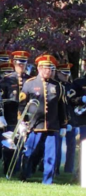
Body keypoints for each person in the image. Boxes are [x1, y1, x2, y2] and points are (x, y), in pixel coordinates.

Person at [18, 54, 68, 184]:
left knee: (51, 155)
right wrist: (21, 122)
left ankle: (48, 180)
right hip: (34, 125)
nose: (49, 71)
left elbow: (62, 107)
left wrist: (63, 125)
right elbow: (22, 105)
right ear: (39, 68)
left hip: (52, 126)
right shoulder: (29, 84)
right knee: (30, 152)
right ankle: (25, 175)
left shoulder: (58, 86)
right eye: (46, 68)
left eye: (51, 68)